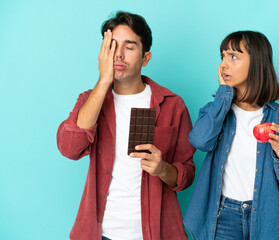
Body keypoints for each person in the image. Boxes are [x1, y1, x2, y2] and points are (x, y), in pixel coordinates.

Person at [57, 11, 195, 240]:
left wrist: (162, 169)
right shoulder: (90, 101)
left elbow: (187, 174)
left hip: (155, 234)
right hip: (101, 233)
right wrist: (103, 81)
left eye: (129, 47)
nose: (118, 55)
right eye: (112, 46)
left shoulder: (172, 105)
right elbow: (69, 148)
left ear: (145, 58)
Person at [183, 31, 279, 240]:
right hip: (222, 219)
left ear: (256, 63)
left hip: (268, 220)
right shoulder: (215, 112)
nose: (224, 65)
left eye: (234, 57)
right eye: (223, 56)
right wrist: (223, 94)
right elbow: (199, 141)